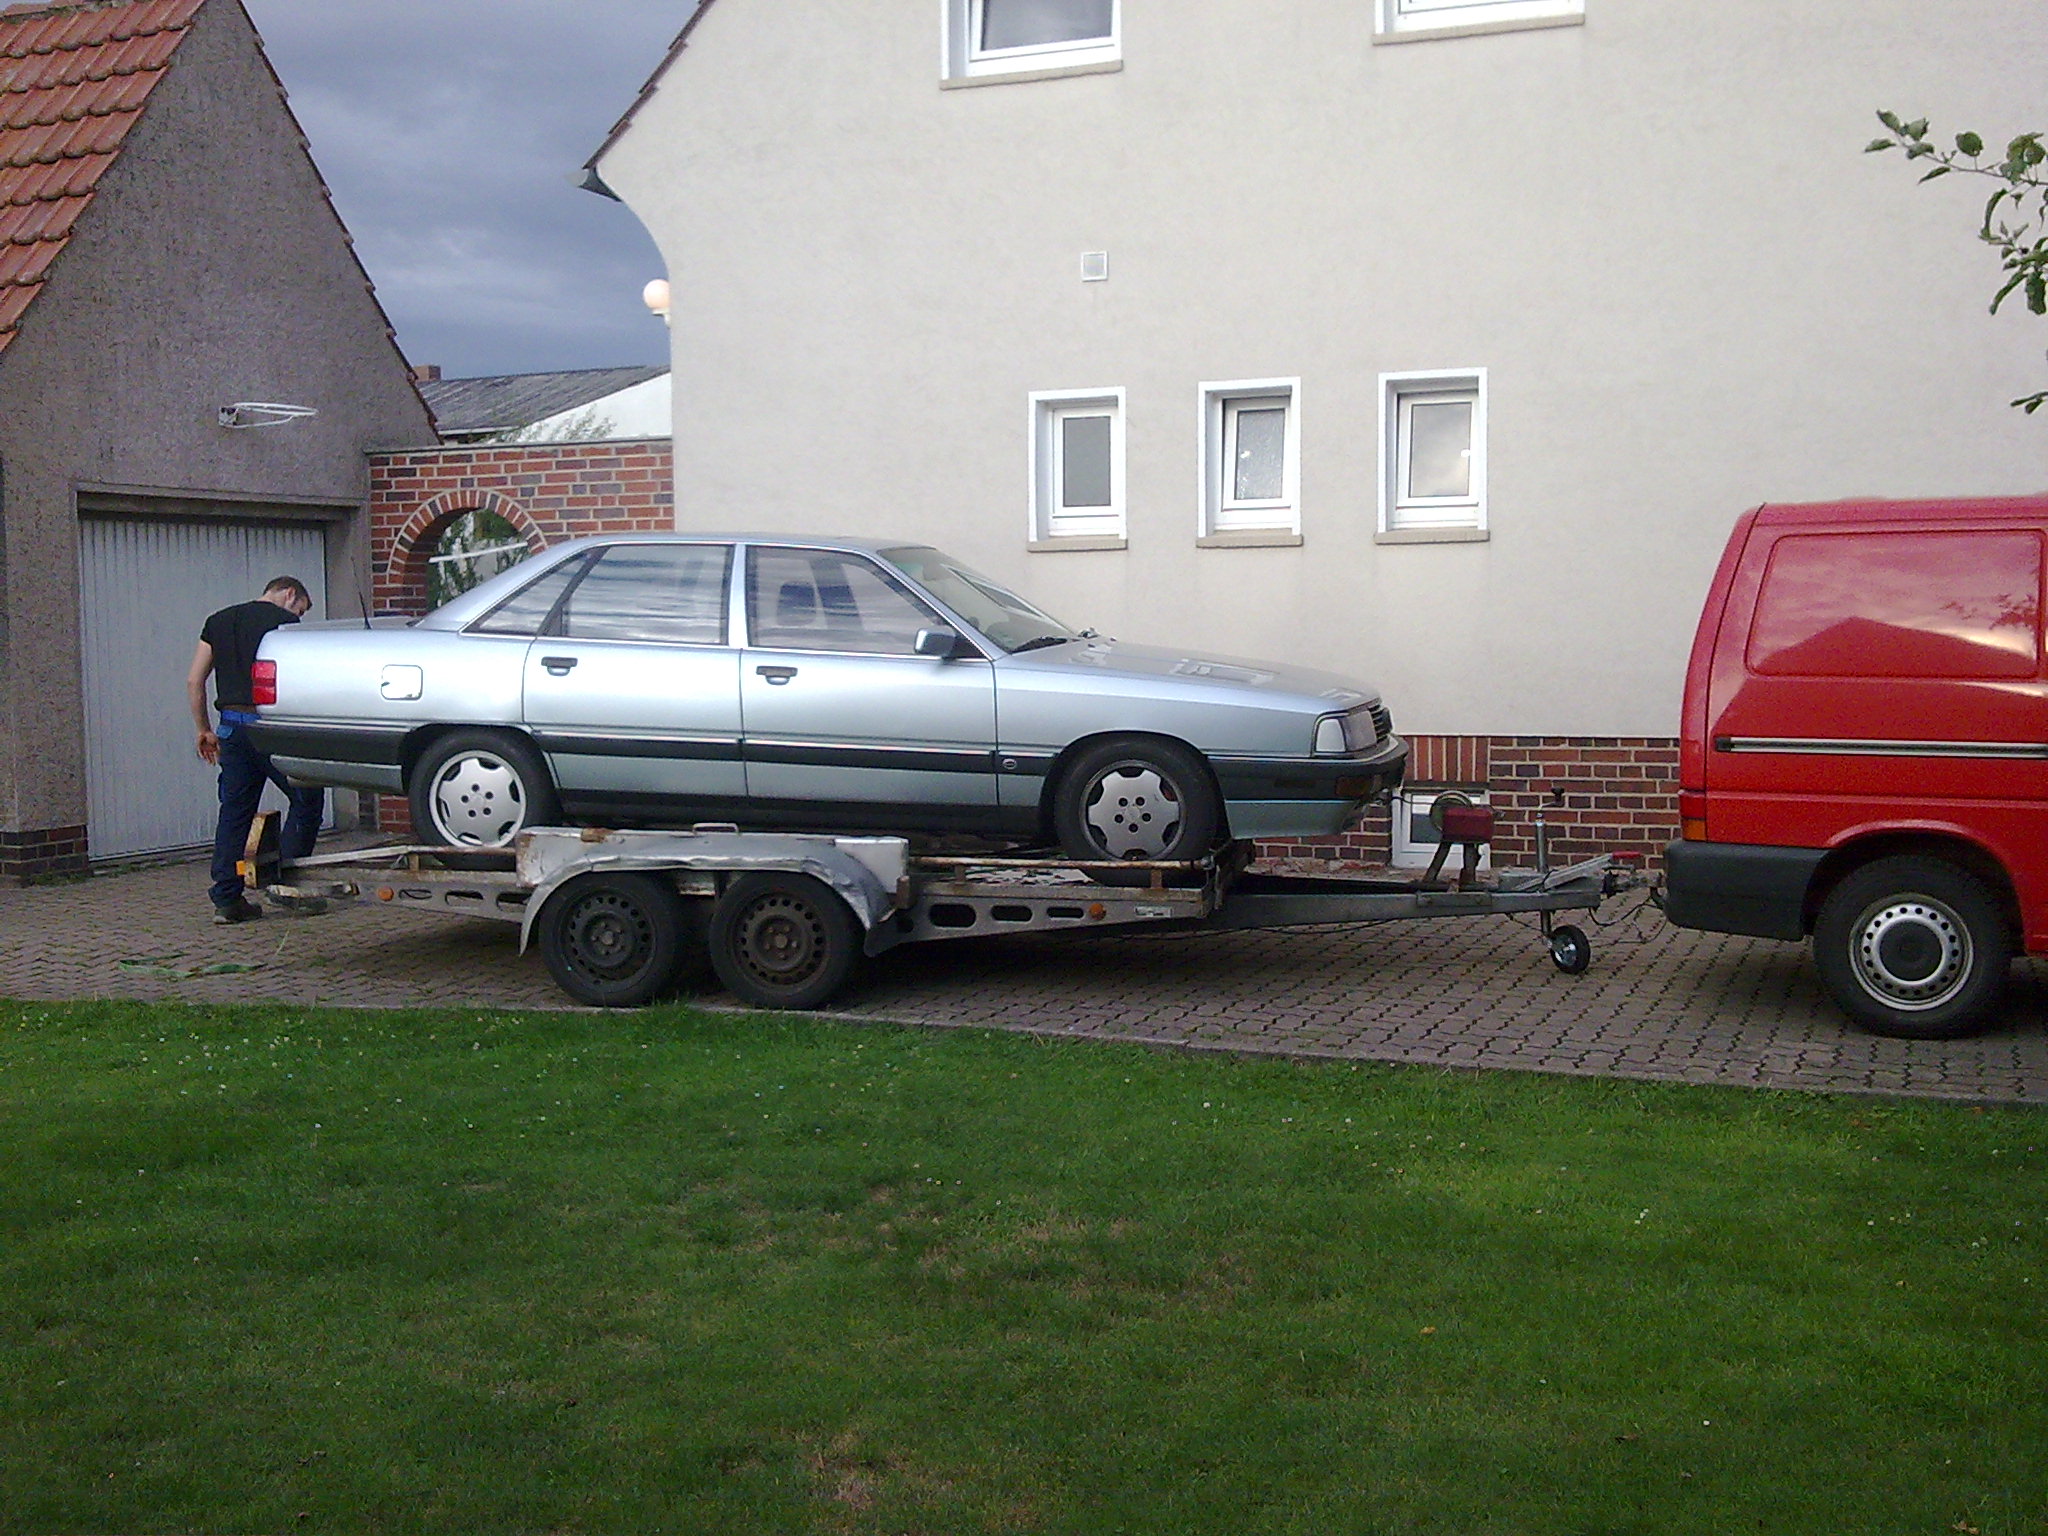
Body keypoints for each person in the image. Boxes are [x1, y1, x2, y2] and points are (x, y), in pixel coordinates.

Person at [187, 576, 326, 923]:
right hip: (271, 729)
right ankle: (286, 885)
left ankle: (227, 899)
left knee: (235, 811)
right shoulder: (286, 626)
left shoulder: (218, 621)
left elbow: (194, 680)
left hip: (231, 729)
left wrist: (204, 729)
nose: (299, 616)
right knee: (307, 798)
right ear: (289, 594)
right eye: (301, 609)